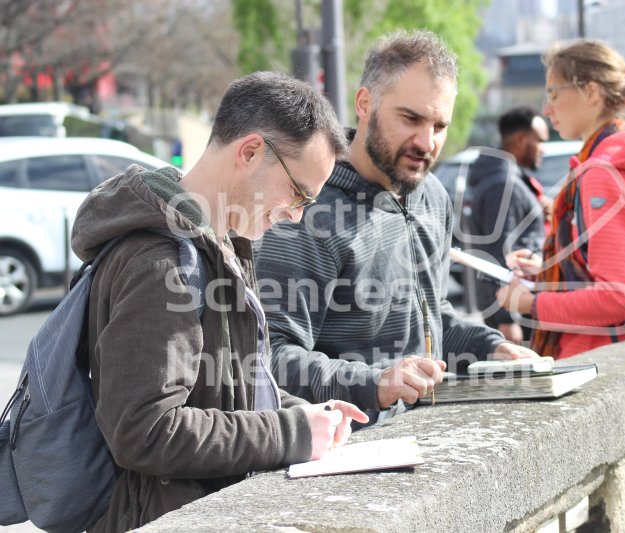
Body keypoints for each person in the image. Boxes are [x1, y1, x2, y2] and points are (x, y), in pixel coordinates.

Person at [71, 71, 368, 532]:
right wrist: (291, 433)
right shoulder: (162, 262)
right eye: (298, 193)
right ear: (249, 152)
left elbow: (225, 389)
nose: (295, 215)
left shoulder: (215, 242)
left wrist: (307, 414)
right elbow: (144, 432)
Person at [256, 30, 539, 419]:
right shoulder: (306, 209)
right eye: (411, 118)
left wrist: (489, 347)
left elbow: (431, 317)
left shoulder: (434, 196)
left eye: (440, 126)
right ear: (364, 103)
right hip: (340, 458)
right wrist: (374, 384)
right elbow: (269, 355)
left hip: (423, 439)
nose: (426, 142)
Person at [496, 39, 625, 359]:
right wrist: (551, 269)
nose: (547, 108)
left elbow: (617, 299)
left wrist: (528, 302)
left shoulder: (602, 173)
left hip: (599, 358)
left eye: (553, 92)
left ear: (591, 93)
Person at [465, 107, 549, 344]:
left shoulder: (509, 180)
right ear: (521, 139)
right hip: (513, 313)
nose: (544, 148)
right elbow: (499, 252)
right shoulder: (504, 185)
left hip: (517, 304)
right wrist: (507, 320)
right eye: (540, 141)